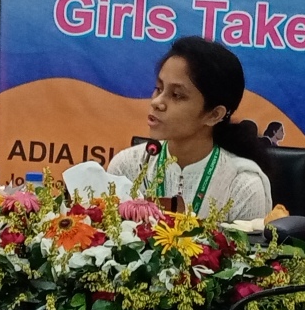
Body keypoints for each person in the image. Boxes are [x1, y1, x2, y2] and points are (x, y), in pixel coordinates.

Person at [106, 37, 273, 222]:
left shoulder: (243, 186)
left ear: (214, 115)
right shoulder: (127, 166)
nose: (157, 102)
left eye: (176, 95)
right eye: (158, 88)